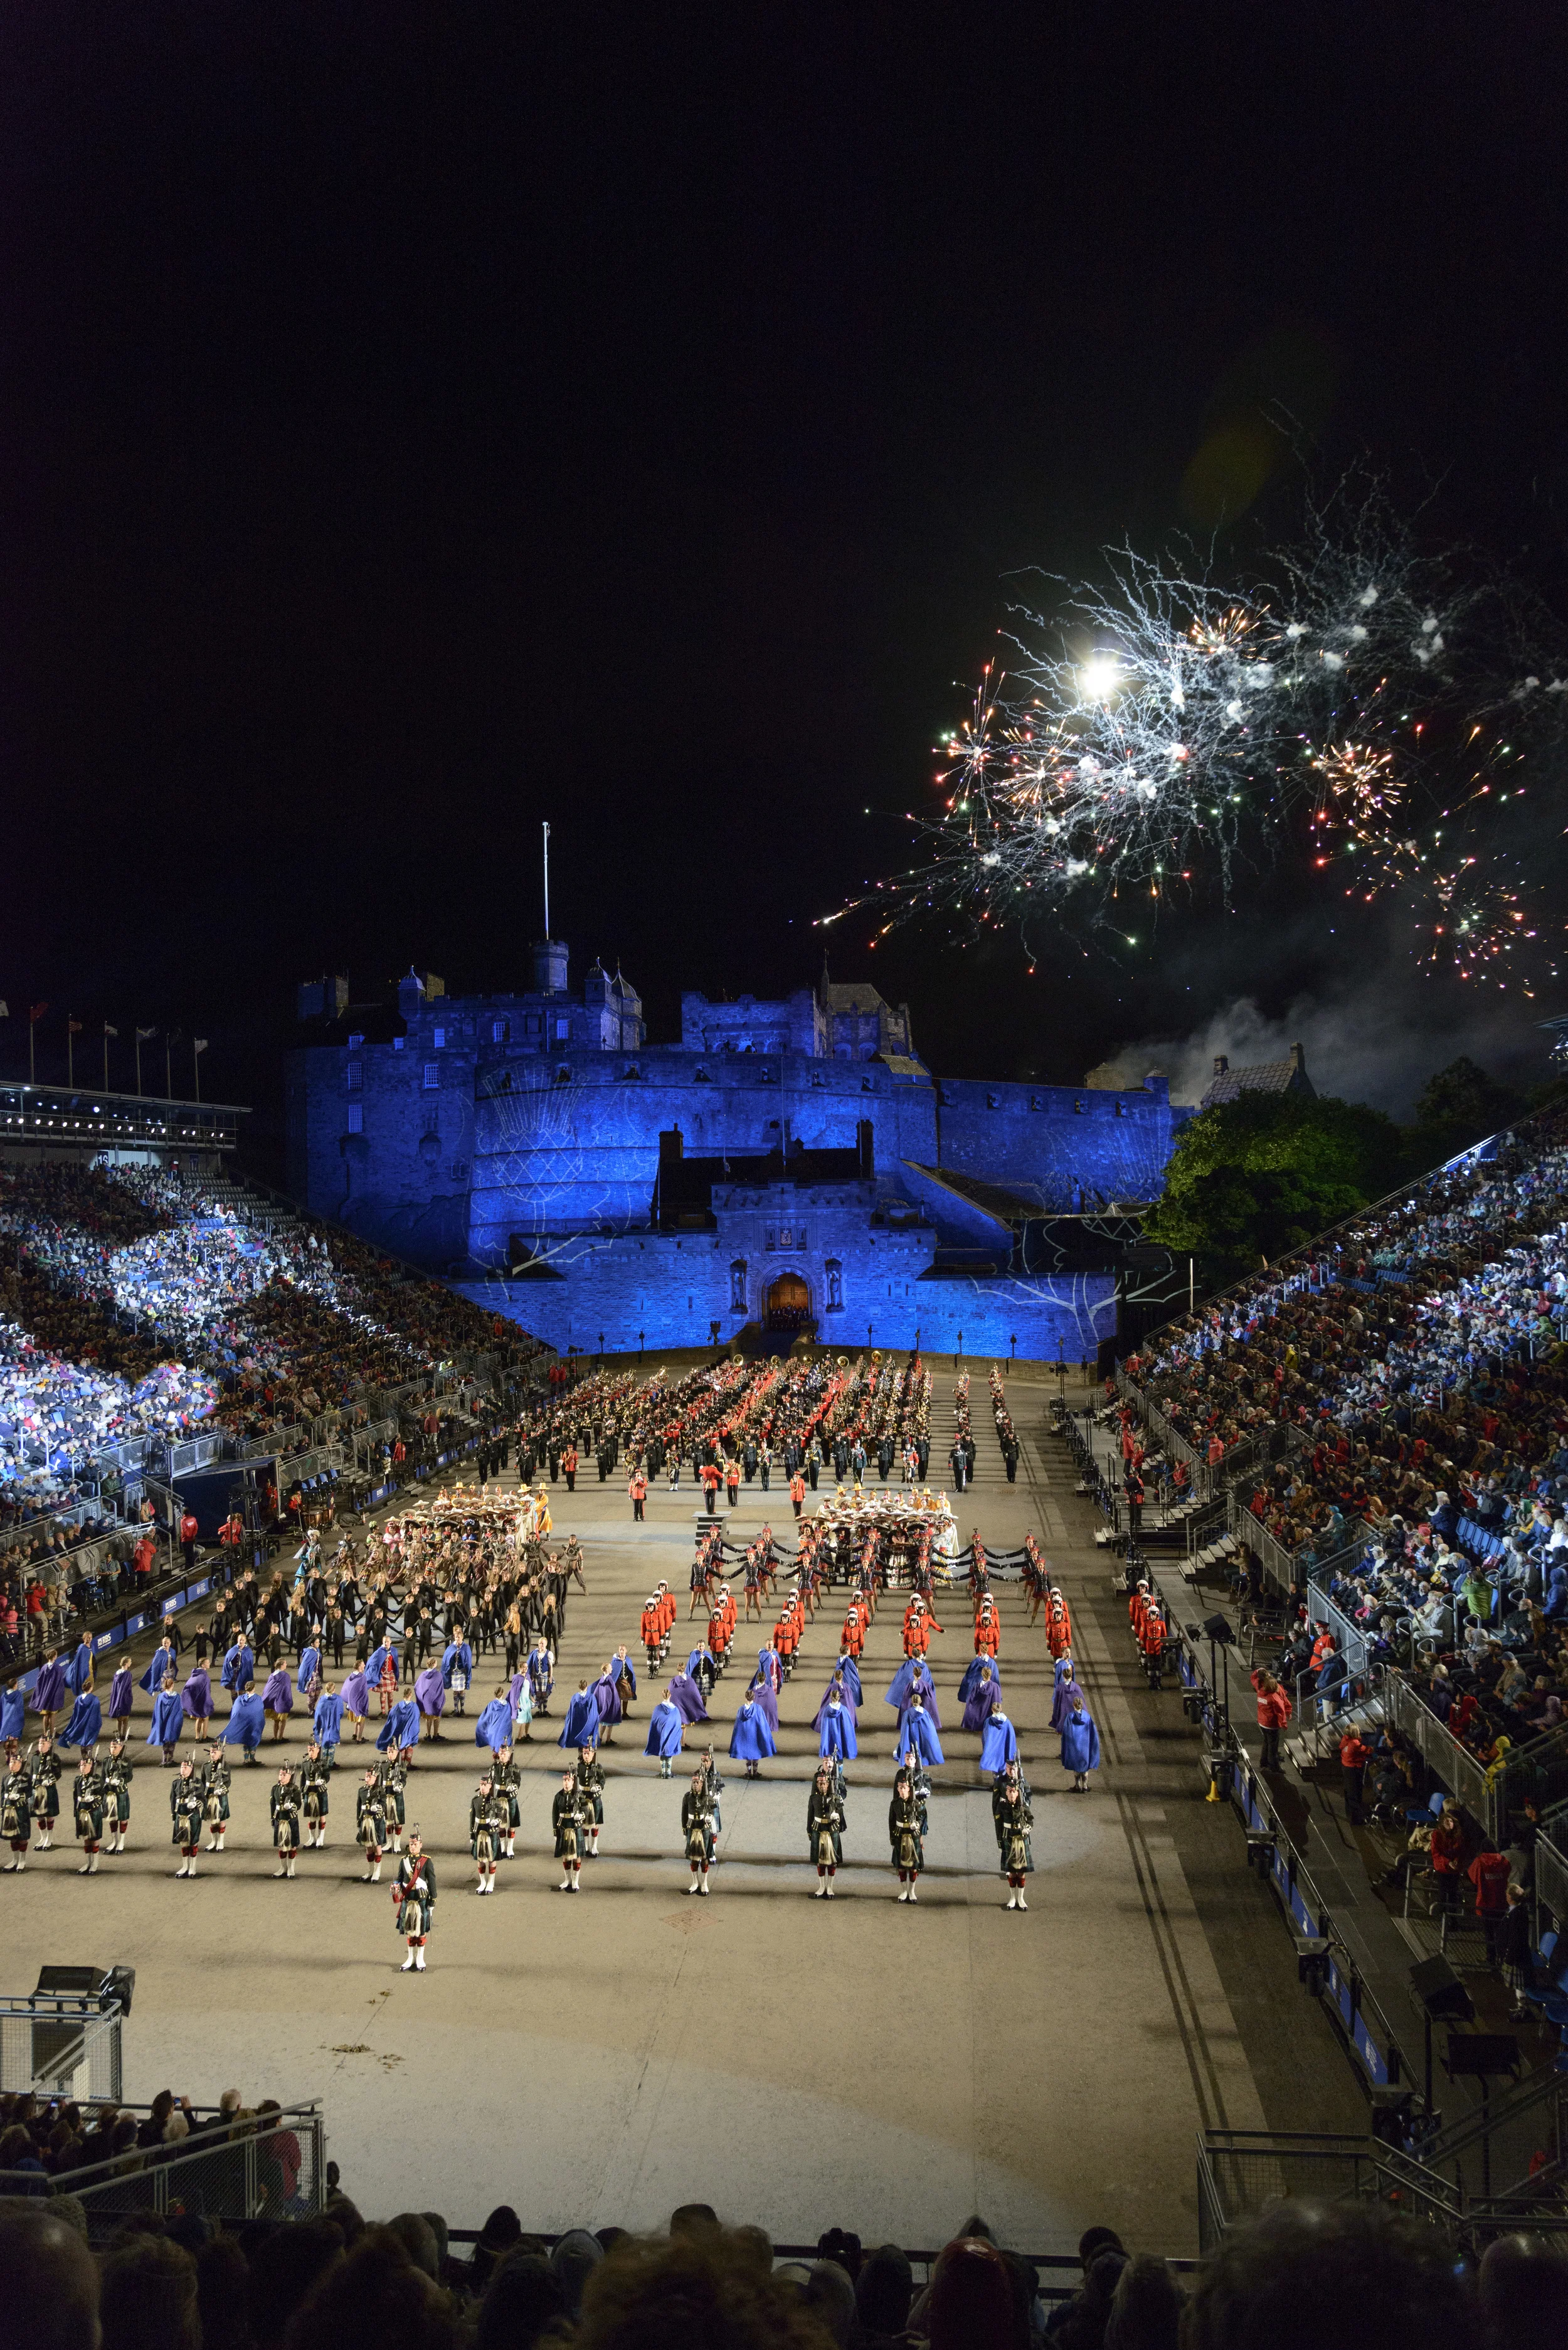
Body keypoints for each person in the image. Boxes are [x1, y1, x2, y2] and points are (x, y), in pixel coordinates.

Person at [393, 1827, 436, 1969]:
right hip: (408, 1900)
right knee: (410, 1930)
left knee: (421, 1930)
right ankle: (410, 1958)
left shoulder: (426, 1861)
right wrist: (396, 1887)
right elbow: (400, 1879)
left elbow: (432, 1882)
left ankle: (420, 1959)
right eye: (411, 1844)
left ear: (420, 1845)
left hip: (421, 1900)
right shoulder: (403, 1861)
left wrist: (433, 1900)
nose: (413, 1847)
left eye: (415, 1844)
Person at [994, 1761, 1033, 1909]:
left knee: (1021, 1872)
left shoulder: (1023, 1806)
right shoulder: (1002, 1806)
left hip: (1021, 1838)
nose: (1011, 1794)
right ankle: (1012, 1898)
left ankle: (1021, 1899)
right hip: (1008, 1837)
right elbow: (999, 1824)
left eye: (1014, 1792)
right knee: (1011, 1872)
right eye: (1009, 1792)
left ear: (1018, 1793)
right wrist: (1000, 1840)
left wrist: (1027, 1828)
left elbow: (1030, 1820)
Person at [807, 1759, 844, 1897]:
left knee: (832, 1861)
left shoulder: (835, 1798)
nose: (823, 1786)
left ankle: (830, 1887)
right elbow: (810, 1815)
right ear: (817, 1785)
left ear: (829, 1784)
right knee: (820, 1861)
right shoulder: (813, 1798)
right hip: (818, 1828)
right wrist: (809, 1831)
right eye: (820, 1784)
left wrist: (837, 1816)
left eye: (825, 1784)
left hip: (831, 1828)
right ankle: (822, 1886)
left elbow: (841, 1814)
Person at [889, 1767, 923, 1902]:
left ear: (909, 1789)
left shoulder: (916, 1803)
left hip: (912, 1835)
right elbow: (891, 1822)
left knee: (914, 1868)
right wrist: (892, 1840)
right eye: (900, 1788)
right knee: (901, 1867)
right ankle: (904, 1891)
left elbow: (921, 1817)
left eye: (905, 1788)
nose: (903, 1791)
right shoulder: (895, 1804)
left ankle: (912, 1892)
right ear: (898, 1789)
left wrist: (917, 1825)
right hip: (900, 1835)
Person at [681, 1767, 714, 1895]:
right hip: (691, 1827)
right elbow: (684, 1814)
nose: (695, 1785)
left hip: (703, 1828)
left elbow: (713, 1810)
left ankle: (704, 1883)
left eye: (697, 1783)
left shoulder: (707, 1797)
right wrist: (685, 1831)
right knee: (693, 1858)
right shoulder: (687, 1797)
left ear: (702, 1784)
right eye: (694, 1782)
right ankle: (695, 1882)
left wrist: (710, 1817)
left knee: (705, 1857)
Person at [1251, 1670, 1292, 1772]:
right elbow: (1281, 1712)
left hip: (1262, 1722)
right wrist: (1284, 1724)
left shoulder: (1260, 1691)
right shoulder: (1274, 1698)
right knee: (1273, 1746)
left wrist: (1258, 1671)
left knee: (1266, 1742)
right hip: (1272, 1725)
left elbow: (1253, 1678)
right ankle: (1274, 1766)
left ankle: (1263, 1762)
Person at [553, 1768, 586, 1892]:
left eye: (569, 1780)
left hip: (575, 1827)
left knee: (577, 1855)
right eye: (565, 1781)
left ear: (573, 1782)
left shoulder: (579, 1795)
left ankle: (575, 1882)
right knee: (565, 1855)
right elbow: (555, 1814)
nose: (566, 1783)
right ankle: (567, 1880)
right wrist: (555, 1830)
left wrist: (581, 1816)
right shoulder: (558, 1796)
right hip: (563, 1827)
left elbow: (586, 1810)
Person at [470, 1773, 504, 1895]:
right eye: (481, 1785)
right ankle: (483, 1882)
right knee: (480, 1859)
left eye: (485, 1785)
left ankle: (491, 1882)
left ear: (490, 1786)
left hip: (491, 1832)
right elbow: (472, 1818)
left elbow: (501, 1814)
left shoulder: (495, 1801)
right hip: (479, 1832)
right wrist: (471, 1834)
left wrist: (497, 1821)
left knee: (491, 1858)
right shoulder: (475, 1800)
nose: (483, 1788)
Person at [1060, 1693, 1101, 1792]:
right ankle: (1085, 1787)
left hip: (1074, 1746)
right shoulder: (1087, 1717)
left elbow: (1066, 1732)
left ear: (1074, 1705)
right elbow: (1093, 1732)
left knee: (1076, 1767)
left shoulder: (1070, 1717)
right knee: (1085, 1767)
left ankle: (1078, 1787)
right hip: (1085, 1746)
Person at [71, 1753, 104, 1875]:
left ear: (91, 1767)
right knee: (86, 1838)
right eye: (81, 1766)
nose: (83, 1768)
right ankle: (88, 1862)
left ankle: (95, 1863)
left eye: (85, 1766)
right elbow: (75, 1797)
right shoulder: (78, 1780)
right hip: (82, 1811)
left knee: (94, 1838)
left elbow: (101, 1795)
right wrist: (76, 1812)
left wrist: (93, 1799)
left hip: (93, 1812)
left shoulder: (97, 1779)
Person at [171, 1754, 204, 1876]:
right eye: (182, 1767)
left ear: (191, 1770)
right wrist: (174, 1816)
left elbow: (203, 1799)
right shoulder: (176, 1784)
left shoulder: (198, 1783)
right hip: (181, 1816)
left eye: (185, 1768)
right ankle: (185, 1866)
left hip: (192, 1816)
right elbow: (173, 1800)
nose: (183, 1770)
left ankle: (193, 1868)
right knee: (183, 1842)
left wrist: (195, 1804)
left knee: (193, 1842)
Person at [271, 1763, 303, 1879]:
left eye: (285, 1775)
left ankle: (291, 1869)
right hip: (279, 1819)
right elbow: (272, 1804)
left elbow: (299, 1805)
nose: (282, 1777)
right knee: (281, 1845)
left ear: (290, 1777)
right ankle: (283, 1868)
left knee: (292, 1845)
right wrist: (272, 1819)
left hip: (290, 1820)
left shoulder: (295, 1790)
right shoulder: (275, 1789)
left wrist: (291, 1806)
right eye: (281, 1775)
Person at [102, 1736, 133, 1855]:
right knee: (112, 1818)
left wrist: (120, 1781)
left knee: (123, 1818)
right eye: (111, 1747)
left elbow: (129, 1777)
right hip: (110, 1793)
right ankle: (114, 1841)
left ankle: (122, 1842)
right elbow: (103, 1777)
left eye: (115, 1747)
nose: (113, 1749)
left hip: (121, 1792)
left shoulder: (126, 1761)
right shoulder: (106, 1761)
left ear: (121, 1748)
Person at [358, 1765, 389, 1881]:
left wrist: (379, 1808)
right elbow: (358, 1808)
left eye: (370, 1777)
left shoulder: (381, 1791)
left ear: (375, 1778)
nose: (367, 1779)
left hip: (377, 1821)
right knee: (368, 1846)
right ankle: (370, 1870)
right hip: (366, 1820)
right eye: (366, 1777)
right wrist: (359, 1822)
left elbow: (385, 1806)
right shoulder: (362, 1791)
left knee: (377, 1845)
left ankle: (377, 1872)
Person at [1, 1748, 30, 1870]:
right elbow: (2, 1793)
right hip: (9, 1810)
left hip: (21, 1810)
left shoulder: (26, 1777)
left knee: (22, 1836)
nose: (12, 1765)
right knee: (12, 1836)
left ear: (20, 1764)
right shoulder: (6, 1777)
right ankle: (14, 1860)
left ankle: (22, 1861)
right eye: (11, 1763)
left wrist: (19, 1796)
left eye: (14, 1763)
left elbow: (29, 1792)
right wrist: (2, 1807)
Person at [301, 1741, 332, 1848]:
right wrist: (302, 1794)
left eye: (313, 1750)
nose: (311, 1753)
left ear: (318, 1751)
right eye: (309, 1750)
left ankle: (320, 1838)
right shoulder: (305, 1764)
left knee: (322, 1816)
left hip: (320, 1791)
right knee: (311, 1817)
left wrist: (322, 1780)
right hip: (309, 1792)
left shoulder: (323, 1763)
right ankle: (312, 1838)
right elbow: (302, 1780)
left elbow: (327, 1776)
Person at [202, 1741, 231, 1852]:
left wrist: (222, 1789)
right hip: (209, 1794)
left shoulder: (225, 1765)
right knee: (212, 1818)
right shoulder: (206, 1766)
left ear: (220, 1753)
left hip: (220, 1794)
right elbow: (203, 1781)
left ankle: (221, 1841)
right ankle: (214, 1841)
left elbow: (228, 1781)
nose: (212, 1754)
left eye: (215, 1752)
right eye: (211, 1752)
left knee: (221, 1818)